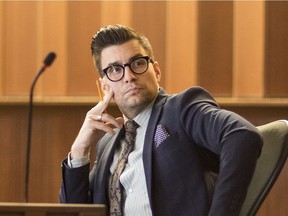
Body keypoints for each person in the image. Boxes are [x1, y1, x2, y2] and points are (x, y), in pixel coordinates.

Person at [60, 24, 263, 216]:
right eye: (115, 69)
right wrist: (79, 150)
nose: (129, 76)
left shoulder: (181, 109)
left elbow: (241, 135)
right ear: (104, 87)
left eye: (138, 63)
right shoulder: (108, 142)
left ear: (156, 70)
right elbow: (76, 213)